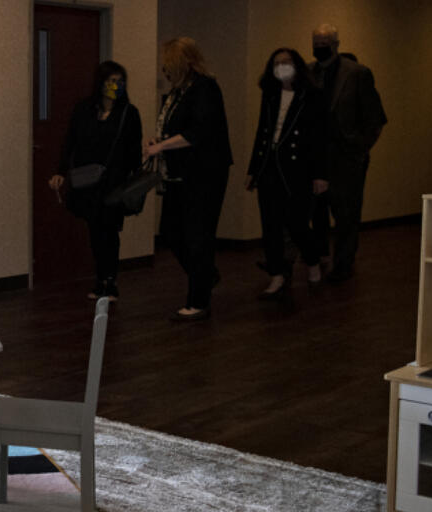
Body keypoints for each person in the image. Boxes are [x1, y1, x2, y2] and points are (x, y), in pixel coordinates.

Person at [144, 37, 232, 322]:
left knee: (198, 236)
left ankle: (198, 300)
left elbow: (199, 133)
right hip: (180, 174)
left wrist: (160, 146)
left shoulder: (204, 88)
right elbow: (176, 128)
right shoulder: (179, 92)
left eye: (167, 65)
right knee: (171, 231)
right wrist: (160, 140)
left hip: (203, 174)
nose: (164, 70)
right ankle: (205, 276)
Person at [48, 61, 143, 301]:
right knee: (94, 230)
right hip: (88, 180)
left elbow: (133, 149)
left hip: (114, 181)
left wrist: (136, 182)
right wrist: (61, 171)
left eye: (120, 81)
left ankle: (110, 281)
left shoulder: (129, 113)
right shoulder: (84, 109)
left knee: (110, 230)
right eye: (111, 81)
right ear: (100, 83)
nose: (115, 86)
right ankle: (100, 278)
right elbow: (70, 141)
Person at [244, 48, 329, 299]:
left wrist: (320, 174)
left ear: (297, 65)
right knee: (270, 224)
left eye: (287, 62)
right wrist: (253, 170)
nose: (282, 66)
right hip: (270, 167)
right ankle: (277, 275)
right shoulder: (270, 94)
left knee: (297, 224)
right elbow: (262, 133)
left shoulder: (312, 96)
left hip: (299, 170)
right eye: (277, 63)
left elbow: (320, 138)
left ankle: (312, 262)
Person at [307, 24, 387, 283]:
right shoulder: (308, 73)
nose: (320, 46)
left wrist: (358, 149)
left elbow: (375, 119)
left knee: (346, 214)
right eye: (316, 41)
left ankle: (343, 264)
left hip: (346, 157)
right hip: (315, 157)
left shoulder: (357, 74)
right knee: (314, 212)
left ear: (336, 44)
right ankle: (318, 257)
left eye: (325, 41)